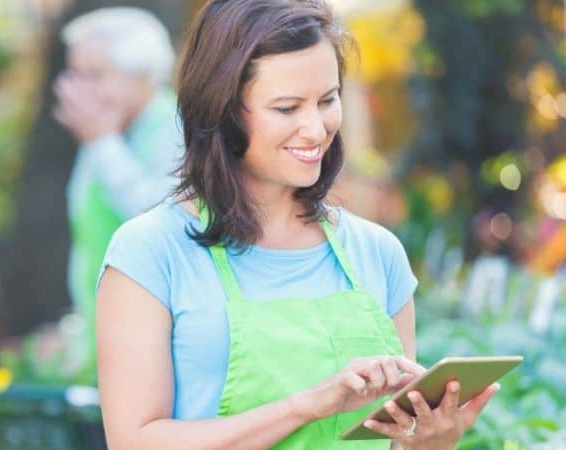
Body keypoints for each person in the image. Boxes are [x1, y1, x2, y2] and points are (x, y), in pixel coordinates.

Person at [96, 1, 499, 449]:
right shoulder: (150, 253)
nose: (315, 129)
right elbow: (134, 443)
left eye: (327, 100)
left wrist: (430, 442)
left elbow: (395, 439)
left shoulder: (377, 253)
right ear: (223, 110)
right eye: (287, 108)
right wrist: (310, 405)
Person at [53, 7, 183, 376]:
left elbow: (159, 219)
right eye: (74, 74)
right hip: (109, 342)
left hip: (156, 349)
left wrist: (103, 143)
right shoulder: (103, 134)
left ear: (141, 75)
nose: (75, 90)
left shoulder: (175, 128)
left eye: (93, 76)